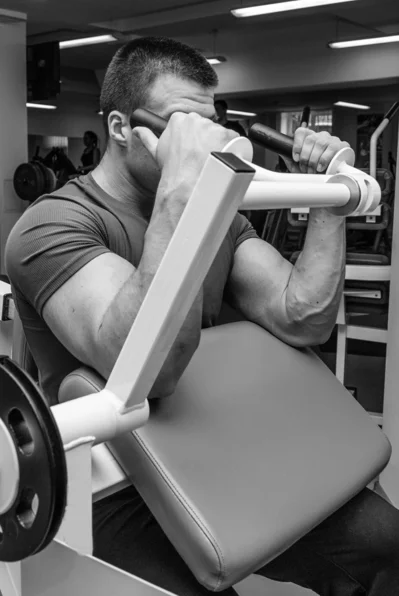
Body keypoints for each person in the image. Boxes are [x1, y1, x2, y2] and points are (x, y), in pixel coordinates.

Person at [5, 36, 399, 596]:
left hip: (213, 443)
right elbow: (151, 369)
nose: (202, 142)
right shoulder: (54, 225)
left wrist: (329, 201)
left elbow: (301, 317)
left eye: (208, 123)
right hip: (110, 483)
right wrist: (182, 195)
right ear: (121, 127)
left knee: (386, 543)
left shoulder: (219, 214)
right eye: (181, 126)